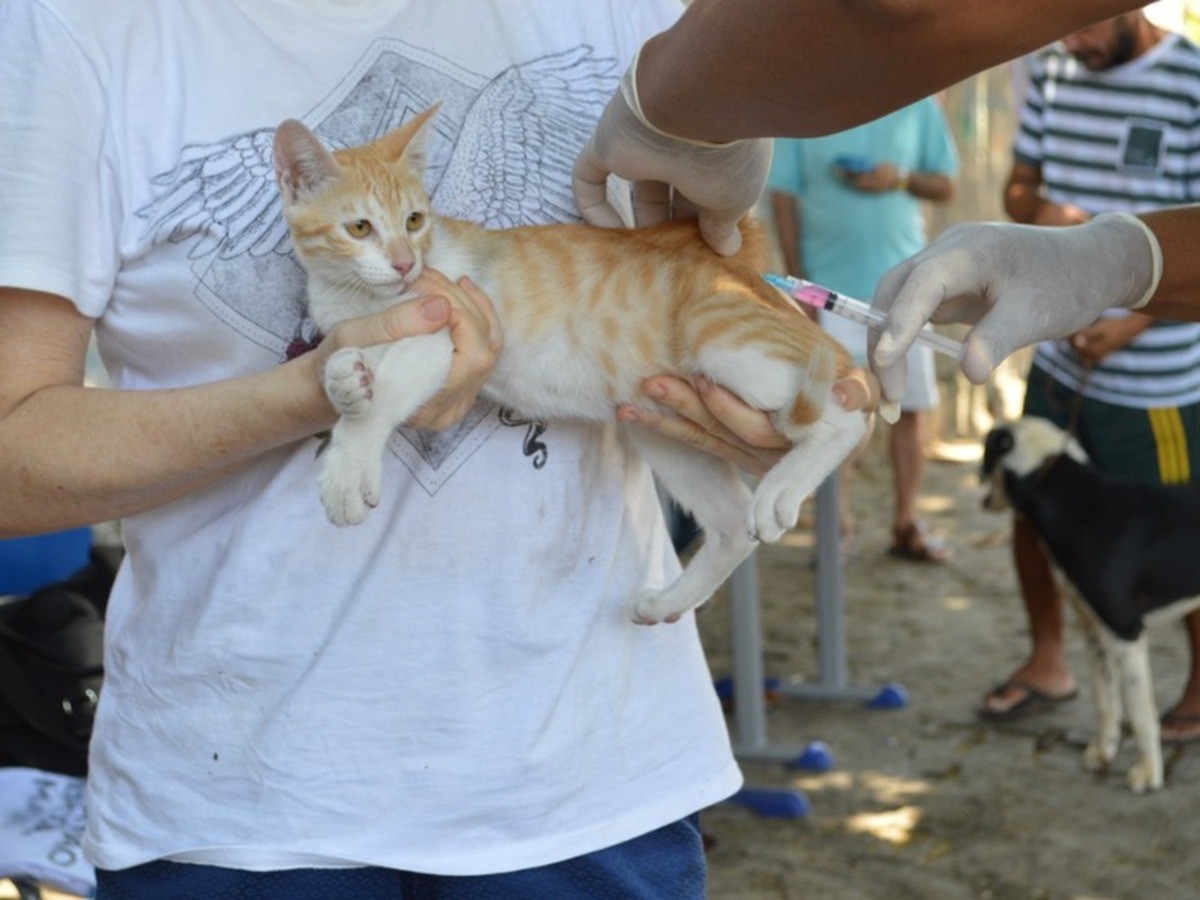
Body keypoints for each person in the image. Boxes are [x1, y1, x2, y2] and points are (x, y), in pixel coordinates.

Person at [0, 1, 741, 896]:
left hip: (589, 778)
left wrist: (756, 407)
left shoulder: (639, 10)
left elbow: (724, 271)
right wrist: (312, 393)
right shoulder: (77, 30)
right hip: (245, 805)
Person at [963, 12, 1200, 733]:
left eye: (1083, 24)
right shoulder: (1057, 68)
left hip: (1156, 379)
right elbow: (1018, 191)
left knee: (1182, 534)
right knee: (1036, 513)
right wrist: (1048, 216)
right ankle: (1048, 660)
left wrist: (1131, 316)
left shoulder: (1191, 84)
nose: (1070, 42)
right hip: (1058, 358)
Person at [767, 99, 959, 564]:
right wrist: (803, 290)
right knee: (836, 415)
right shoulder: (802, 110)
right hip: (829, 294)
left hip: (905, 290)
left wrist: (898, 178)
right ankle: (836, 526)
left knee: (910, 413)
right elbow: (783, 198)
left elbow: (945, 185)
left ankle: (906, 522)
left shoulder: (917, 104)